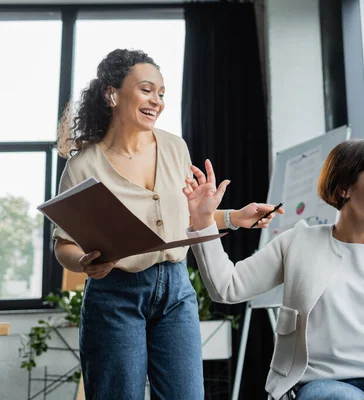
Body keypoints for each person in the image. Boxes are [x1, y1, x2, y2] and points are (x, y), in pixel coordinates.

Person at [53, 48, 281, 400]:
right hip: (115, 295)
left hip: (176, 291)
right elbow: (63, 245)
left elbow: (186, 220)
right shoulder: (83, 165)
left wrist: (235, 217)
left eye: (161, 93)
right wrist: (84, 262)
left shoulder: (175, 147)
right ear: (111, 94)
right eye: (146, 89)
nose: (156, 101)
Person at [183, 139, 364, 400]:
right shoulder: (299, 242)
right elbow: (226, 288)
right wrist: (203, 220)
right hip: (325, 384)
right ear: (344, 187)